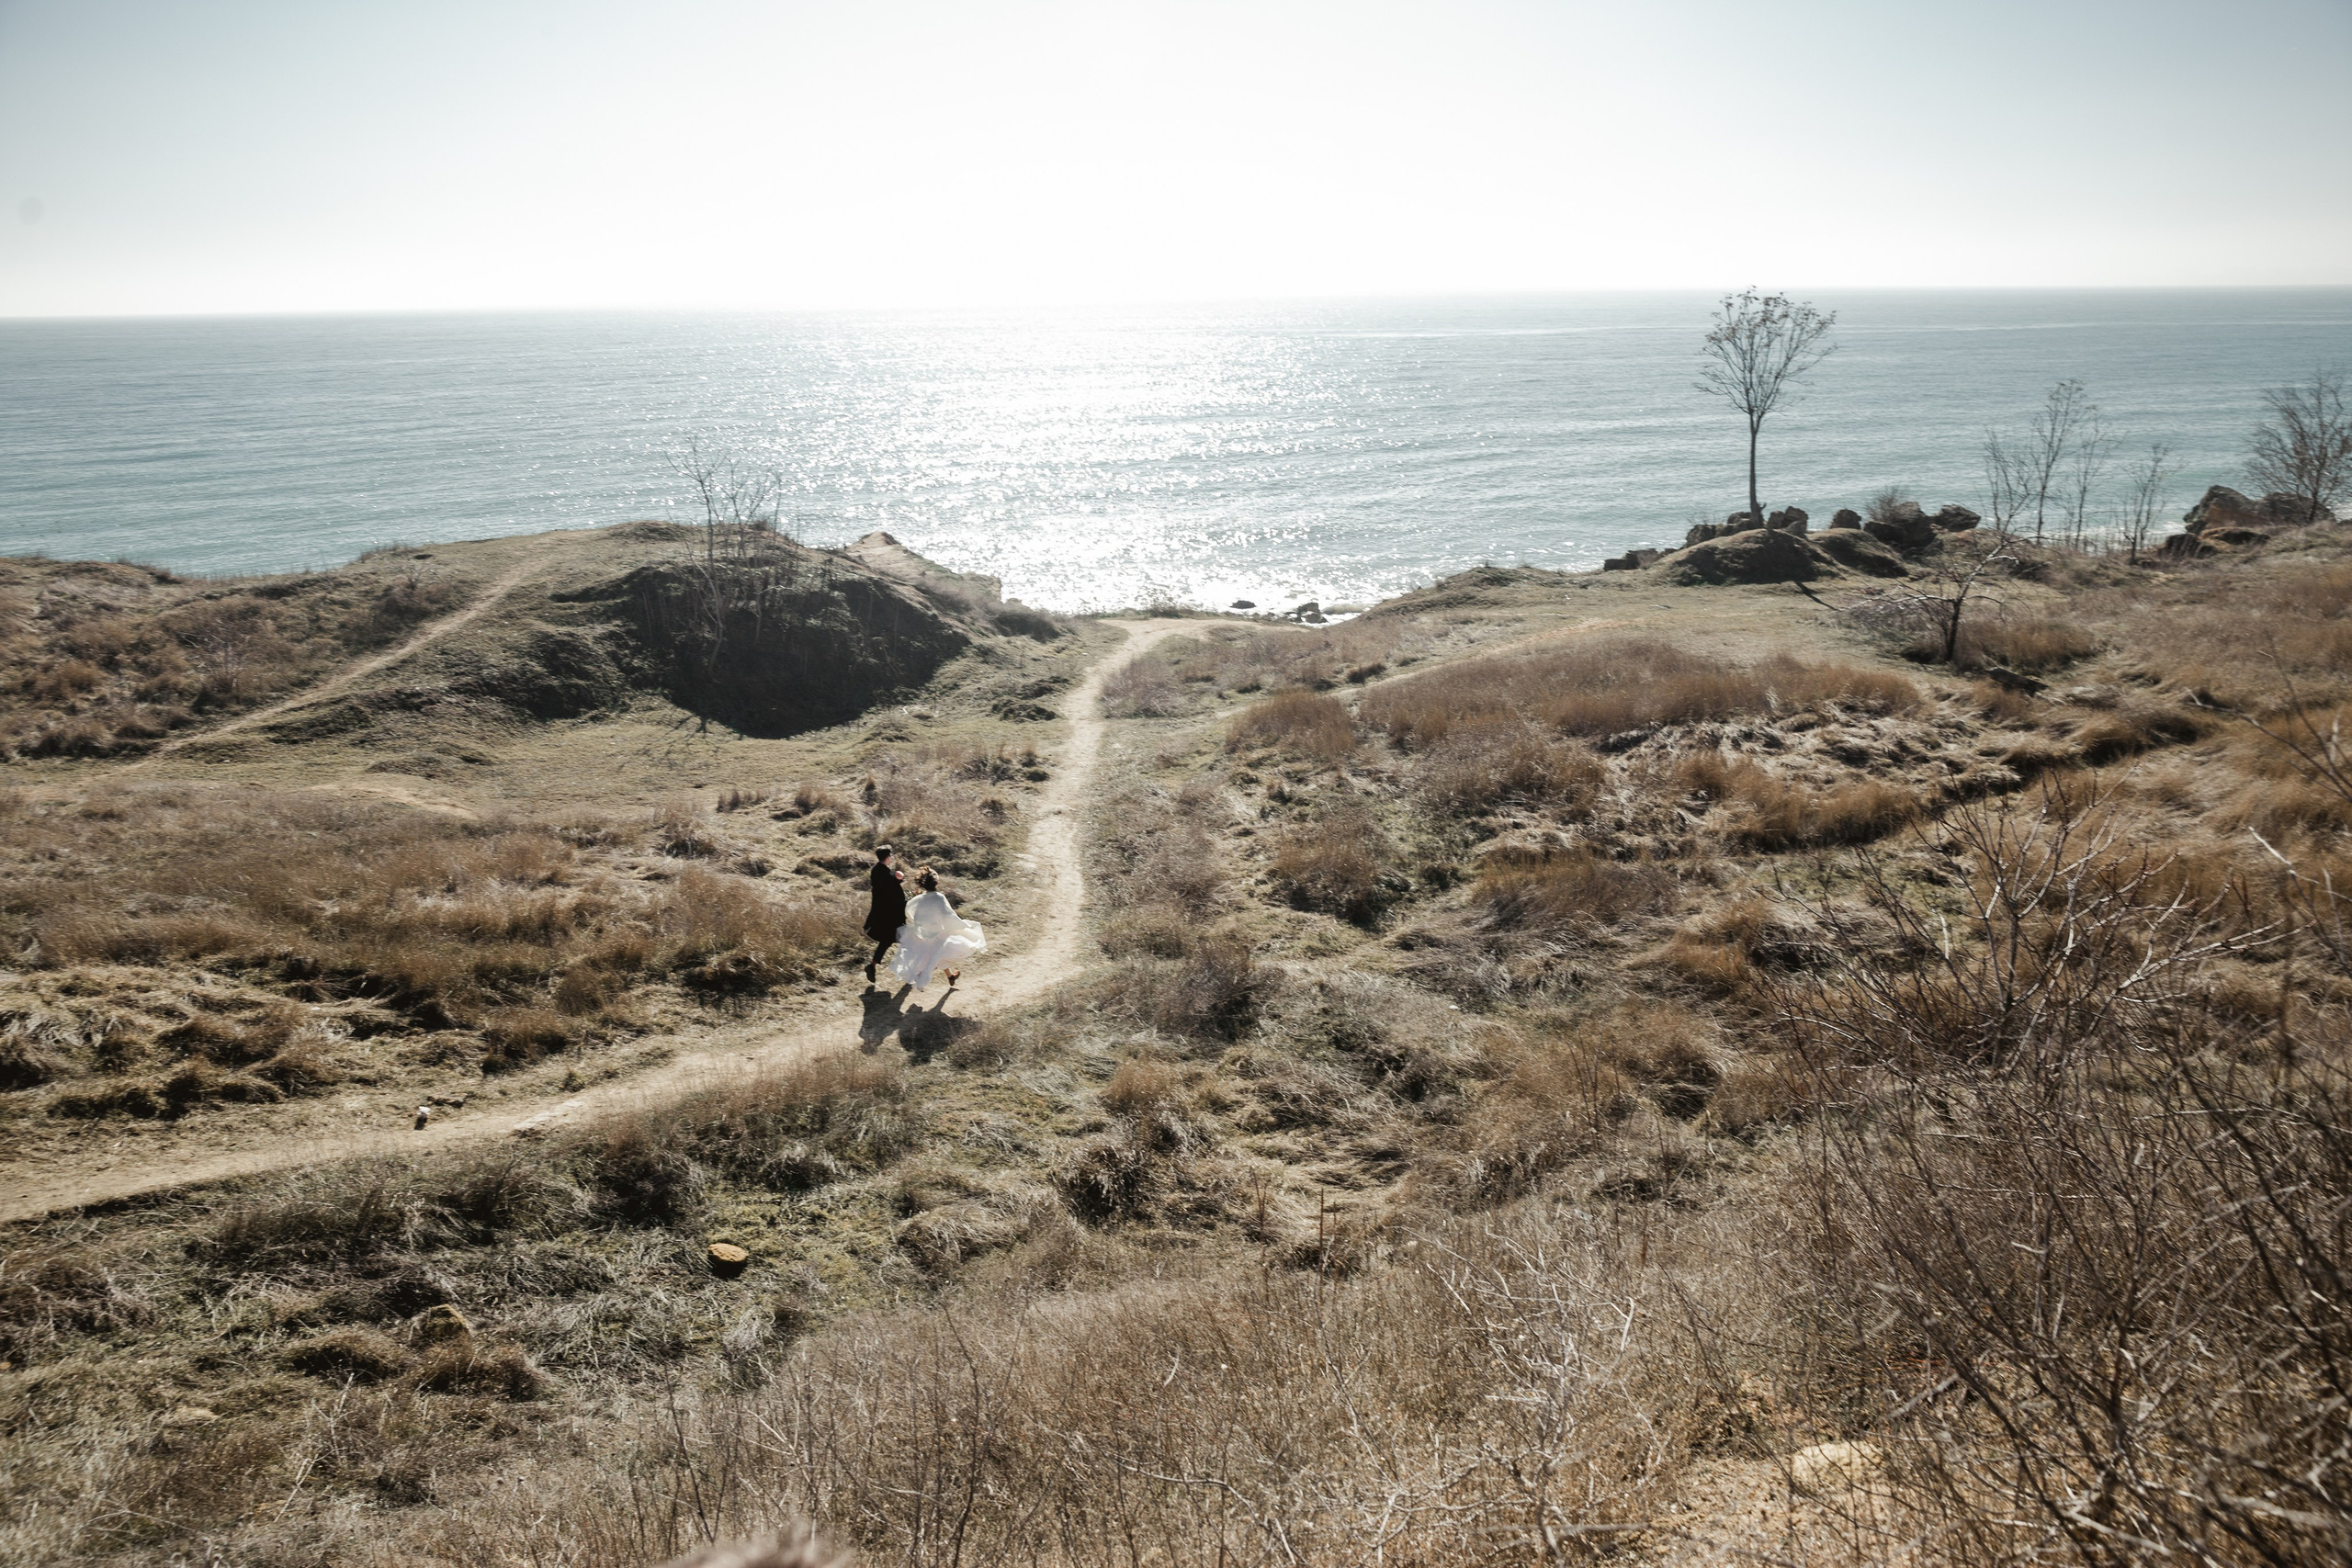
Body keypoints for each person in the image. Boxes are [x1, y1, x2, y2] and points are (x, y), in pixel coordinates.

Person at [888, 867, 987, 992]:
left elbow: (909, 910)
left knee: (937, 955)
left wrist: (917, 922)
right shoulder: (939, 897)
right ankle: (921, 977)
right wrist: (960, 925)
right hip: (938, 933)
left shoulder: (918, 899)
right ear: (936, 883)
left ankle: (950, 976)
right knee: (935, 957)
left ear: (923, 885)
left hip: (923, 934)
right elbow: (948, 914)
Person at [863, 843, 906, 985]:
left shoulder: (878, 870)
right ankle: (910, 970)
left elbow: (889, 887)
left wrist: (898, 879)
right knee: (906, 940)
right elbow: (893, 893)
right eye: (891, 855)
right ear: (888, 857)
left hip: (884, 914)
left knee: (886, 941)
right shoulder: (884, 873)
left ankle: (872, 966)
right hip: (891, 915)